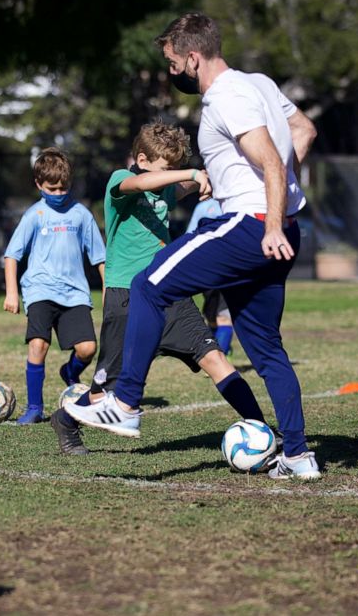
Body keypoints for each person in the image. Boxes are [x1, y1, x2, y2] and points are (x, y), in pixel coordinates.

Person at [65, 12, 320, 480]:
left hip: (252, 225)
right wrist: (278, 199)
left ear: (193, 57)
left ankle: (125, 402)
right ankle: (299, 455)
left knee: (147, 285)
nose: (170, 73)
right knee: (265, 349)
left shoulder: (226, 96)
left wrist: (270, 216)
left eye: (172, 63)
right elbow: (303, 131)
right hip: (276, 226)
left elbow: (268, 159)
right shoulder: (259, 82)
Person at [51, 122, 275, 455]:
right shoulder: (121, 180)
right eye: (166, 168)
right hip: (126, 295)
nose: (171, 175)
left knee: (214, 358)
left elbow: (177, 187)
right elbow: (142, 181)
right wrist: (189, 174)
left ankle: (264, 431)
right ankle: (66, 421)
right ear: (142, 158)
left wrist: (206, 178)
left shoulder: (164, 187)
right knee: (104, 392)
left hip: (169, 291)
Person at [3, 148, 106, 424]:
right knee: (38, 344)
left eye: (63, 188)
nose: (59, 194)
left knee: (87, 349)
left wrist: (109, 289)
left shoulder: (81, 215)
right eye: (52, 189)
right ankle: (35, 408)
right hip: (40, 290)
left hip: (74, 293)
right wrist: (12, 292)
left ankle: (70, 373)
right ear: (39, 184)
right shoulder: (34, 216)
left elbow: (100, 257)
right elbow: (12, 255)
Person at [186, 198, 235, 355]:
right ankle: (221, 349)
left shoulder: (237, 203)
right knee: (212, 316)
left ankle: (220, 355)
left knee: (224, 317)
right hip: (206, 269)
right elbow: (190, 235)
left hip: (230, 269)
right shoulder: (204, 207)